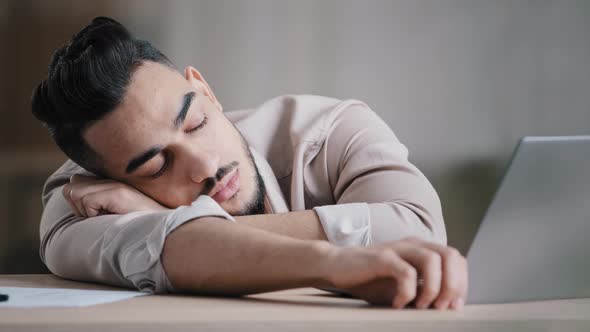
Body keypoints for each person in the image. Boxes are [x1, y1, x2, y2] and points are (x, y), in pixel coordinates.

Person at [31, 17, 467, 310]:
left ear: (205, 90)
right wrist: (338, 262)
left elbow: (419, 235)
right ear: (102, 175)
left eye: (196, 122)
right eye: (155, 167)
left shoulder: (330, 130)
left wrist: (171, 218)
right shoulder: (78, 205)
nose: (204, 164)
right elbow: (162, 253)